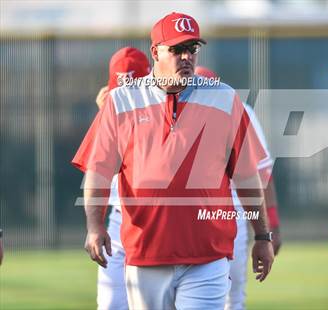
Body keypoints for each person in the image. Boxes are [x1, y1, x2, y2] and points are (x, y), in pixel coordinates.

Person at [73, 12, 274, 310]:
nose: (186, 57)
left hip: (208, 258)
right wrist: (94, 225)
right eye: (176, 49)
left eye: (192, 49)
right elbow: (99, 172)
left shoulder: (224, 98)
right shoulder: (122, 100)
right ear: (155, 52)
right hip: (145, 256)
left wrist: (262, 235)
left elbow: (246, 177)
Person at [195, 66, 282, 310]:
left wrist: (270, 225)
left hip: (232, 203)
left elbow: (262, 174)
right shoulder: (173, 111)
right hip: (187, 208)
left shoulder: (241, 111)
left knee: (232, 295)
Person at [94, 46, 150, 310]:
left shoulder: (163, 109)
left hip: (157, 222)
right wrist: (104, 116)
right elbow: (100, 166)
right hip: (119, 219)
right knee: (110, 305)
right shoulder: (111, 113)